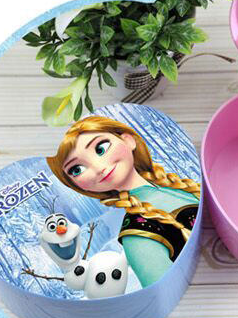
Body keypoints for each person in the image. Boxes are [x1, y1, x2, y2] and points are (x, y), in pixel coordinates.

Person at [47, 116, 200, 287]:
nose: (99, 168)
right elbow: (165, 288)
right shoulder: (137, 234)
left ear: (128, 140)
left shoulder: (179, 187)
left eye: (101, 148)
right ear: (75, 184)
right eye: (77, 169)